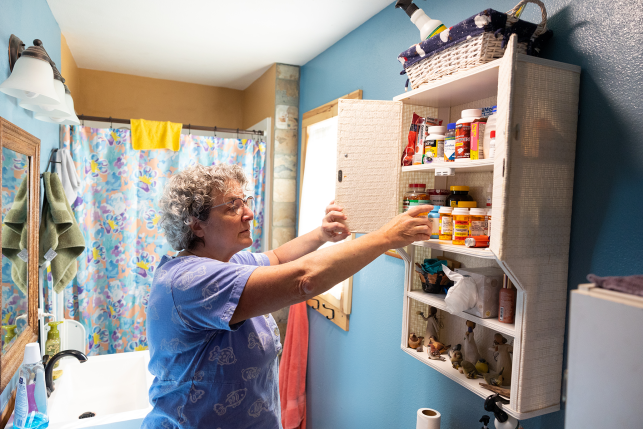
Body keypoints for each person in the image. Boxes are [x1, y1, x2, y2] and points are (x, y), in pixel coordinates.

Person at [142, 163, 432, 428]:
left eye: (246, 202)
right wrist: (386, 237)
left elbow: (278, 257)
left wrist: (323, 234)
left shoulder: (229, 262)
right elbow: (303, 280)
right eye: (232, 205)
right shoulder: (189, 281)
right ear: (196, 224)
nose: (248, 213)